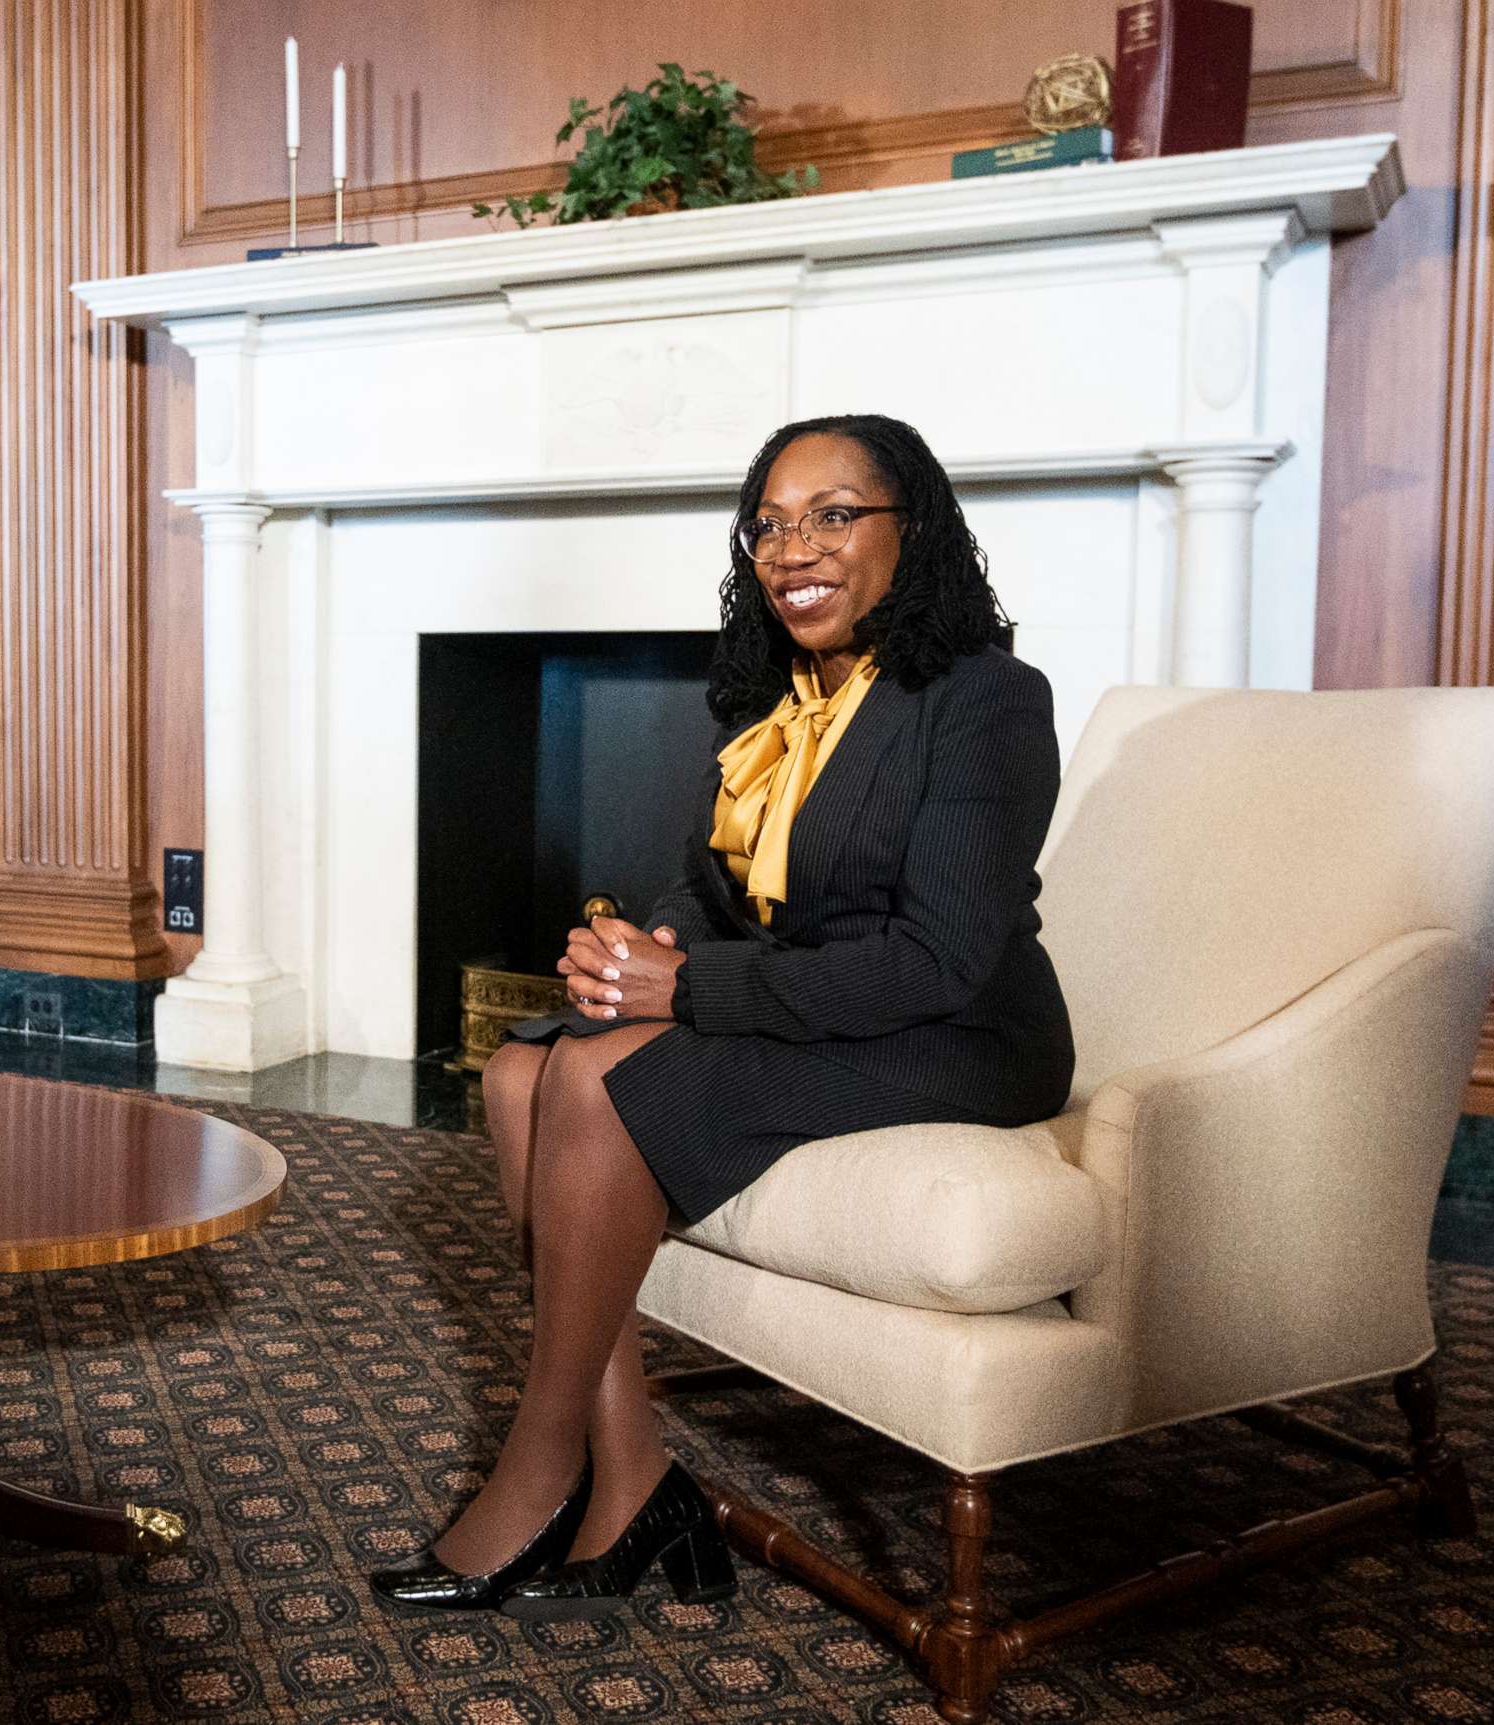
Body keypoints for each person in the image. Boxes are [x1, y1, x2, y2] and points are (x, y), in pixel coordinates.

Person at [370, 413, 1074, 1618]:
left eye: (835, 515)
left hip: (958, 1036)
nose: (796, 546)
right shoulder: (773, 706)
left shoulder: (987, 700)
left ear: (914, 533)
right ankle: (640, 1480)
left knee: (596, 1081)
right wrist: (636, 948)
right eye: (771, 524)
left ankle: (542, 1470)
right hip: (819, 1006)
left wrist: (683, 991)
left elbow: (940, 960)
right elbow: (710, 890)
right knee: (512, 1074)